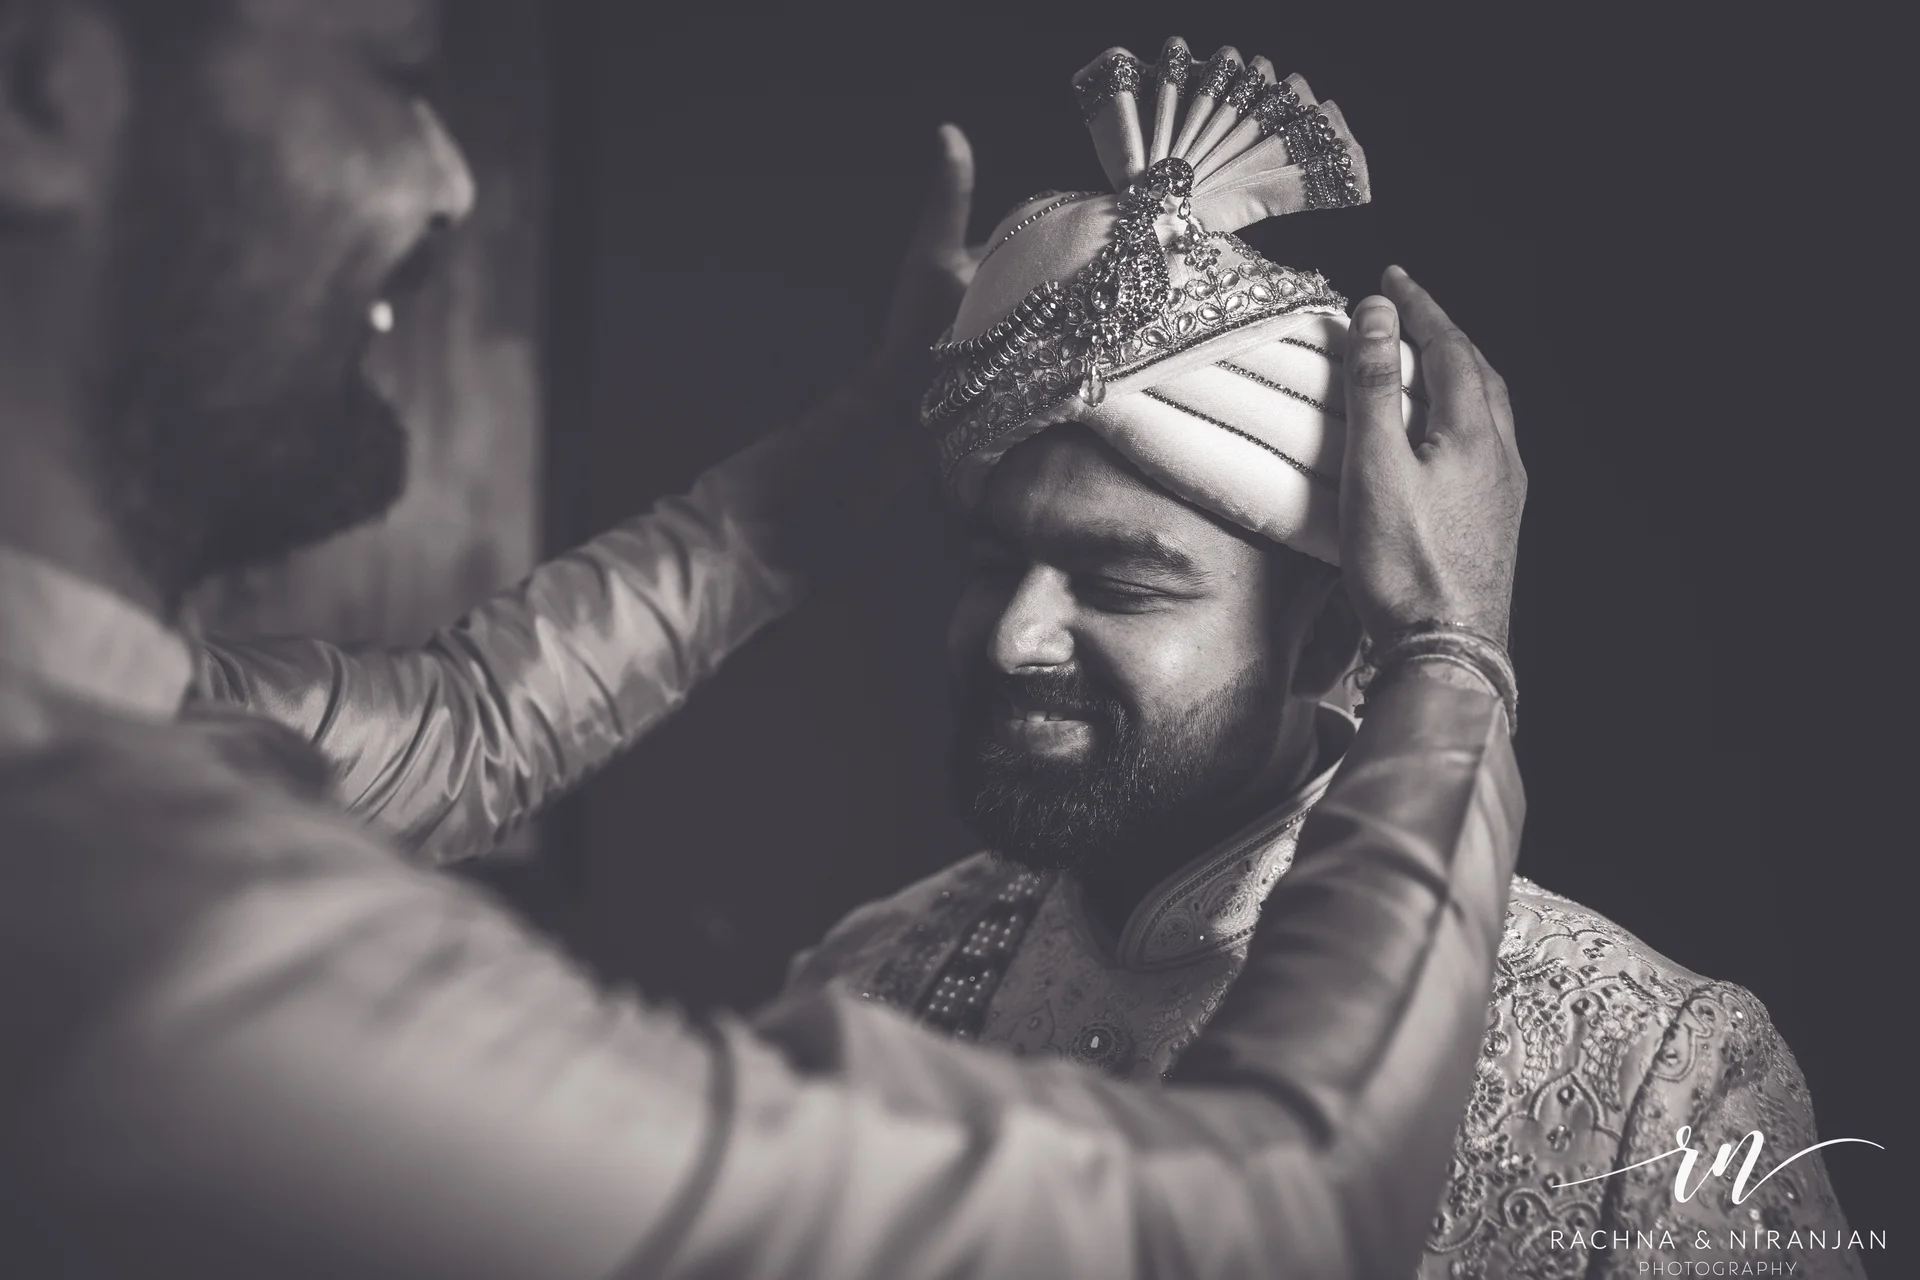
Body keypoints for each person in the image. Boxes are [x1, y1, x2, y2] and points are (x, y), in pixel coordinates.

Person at [0, 3, 1527, 1275]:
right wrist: (1453, 658)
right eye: (392, 69)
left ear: (1317, 621)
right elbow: (1269, 1227)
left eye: (1123, 580)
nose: (450, 180)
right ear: (33, 86)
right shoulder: (143, 914)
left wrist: (815, 483)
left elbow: (458, 729)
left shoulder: (92, 728)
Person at [786, 41, 1863, 1279]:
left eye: (1119, 582)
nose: (1014, 633)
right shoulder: (873, 971)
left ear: (1336, 636)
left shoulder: (1650, 1079)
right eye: (991, 563)